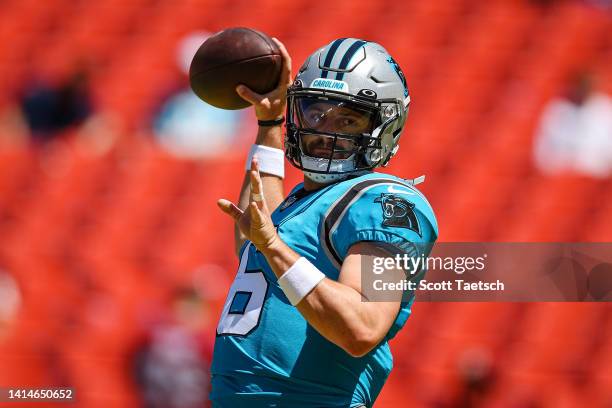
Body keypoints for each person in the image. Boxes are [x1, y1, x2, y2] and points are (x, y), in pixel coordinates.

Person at [212, 38, 438, 407]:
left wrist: (274, 248)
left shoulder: (386, 201)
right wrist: (269, 121)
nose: (324, 130)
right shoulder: (308, 202)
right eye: (315, 113)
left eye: (348, 118)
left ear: (385, 126)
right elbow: (257, 242)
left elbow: (361, 325)